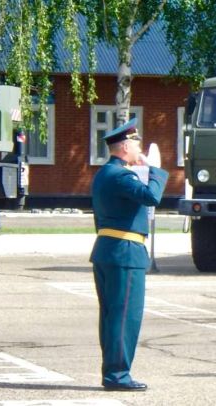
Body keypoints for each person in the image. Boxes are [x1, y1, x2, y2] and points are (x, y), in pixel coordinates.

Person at [89, 117, 169, 392]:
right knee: (125, 317)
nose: (140, 149)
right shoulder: (122, 176)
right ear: (124, 147)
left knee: (112, 316)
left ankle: (114, 372)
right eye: (136, 143)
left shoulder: (105, 174)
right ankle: (117, 375)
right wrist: (156, 170)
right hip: (124, 252)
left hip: (109, 250)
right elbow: (151, 197)